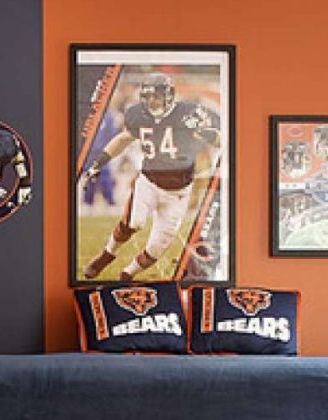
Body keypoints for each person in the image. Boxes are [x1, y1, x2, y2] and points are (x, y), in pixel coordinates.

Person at [79, 72, 221, 281]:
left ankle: (126, 275)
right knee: (134, 222)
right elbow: (124, 138)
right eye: (147, 97)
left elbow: (219, 140)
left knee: (156, 249)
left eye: (156, 96)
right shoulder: (138, 114)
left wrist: (206, 132)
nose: (151, 101)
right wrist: (98, 163)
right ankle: (106, 255)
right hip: (149, 181)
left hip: (179, 193)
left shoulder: (189, 113)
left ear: (169, 96)